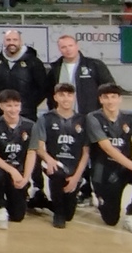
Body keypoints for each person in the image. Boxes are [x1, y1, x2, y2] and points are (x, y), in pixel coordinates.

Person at [86, 83, 132, 234]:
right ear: (101, 100)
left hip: (125, 167)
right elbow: (107, 148)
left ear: (120, 99)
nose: (110, 101)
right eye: (106, 97)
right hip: (104, 170)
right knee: (111, 220)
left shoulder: (130, 117)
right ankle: (101, 198)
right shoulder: (93, 118)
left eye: (113, 97)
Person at [33, 83, 91, 228]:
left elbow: (86, 152)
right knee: (57, 174)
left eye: (69, 95)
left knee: (69, 214)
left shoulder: (83, 120)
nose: (66, 98)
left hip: (74, 166)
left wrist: (77, 177)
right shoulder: (45, 118)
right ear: (55, 97)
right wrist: (48, 159)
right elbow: (39, 146)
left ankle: (45, 202)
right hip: (53, 162)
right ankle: (57, 214)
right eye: (62, 95)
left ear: (74, 97)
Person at [0, 89, 35, 229]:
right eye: (9, 105)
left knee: (17, 216)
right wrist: (12, 170)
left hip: (19, 170)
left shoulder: (30, 126)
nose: (13, 109)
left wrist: (25, 178)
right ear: (1, 106)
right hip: (0, 168)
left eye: (16, 105)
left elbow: (31, 153)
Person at [47, 34, 114, 116]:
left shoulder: (94, 65)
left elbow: (110, 89)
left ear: (77, 46)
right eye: (63, 47)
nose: (68, 49)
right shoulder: (55, 69)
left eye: (70, 45)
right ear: (59, 49)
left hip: (90, 117)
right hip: (63, 118)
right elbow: (50, 95)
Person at [0, 29, 50, 120]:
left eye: (15, 40)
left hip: (27, 114)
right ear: (4, 42)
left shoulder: (34, 62)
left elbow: (43, 88)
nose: (11, 43)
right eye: (8, 40)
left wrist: (29, 104)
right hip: (2, 114)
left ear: (21, 42)